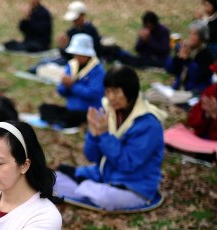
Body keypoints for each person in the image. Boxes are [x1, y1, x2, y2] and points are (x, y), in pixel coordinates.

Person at [55, 66, 166, 210]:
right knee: (52, 178)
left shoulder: (149, 124)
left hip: (135, 185)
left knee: (104, 197)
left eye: (116, 91)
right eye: (108, 91)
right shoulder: (109, 110)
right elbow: (92, 156)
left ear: (130, 91)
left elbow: (128, 164)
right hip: (106, 175)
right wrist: (93, 134)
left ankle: (84, 187)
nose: (111, 97)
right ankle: (84, 185)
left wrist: (104, 135)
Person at [39, 34, 106, 128]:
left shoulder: (98, 70)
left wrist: (72, 86)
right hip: (70, 108)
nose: (76, 56)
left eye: (78, 54)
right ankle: (60, 121)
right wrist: (64, 85)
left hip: (88, 111)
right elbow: (61, 91)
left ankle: (62, 121)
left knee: (72, 117)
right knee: (44, 108)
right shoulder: (71, 66)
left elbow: (94, 94)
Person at [165, 20, 214, 94]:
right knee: (151, 94)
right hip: (177, 88)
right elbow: (169, 69)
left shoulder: (207, 54)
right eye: (190, 33)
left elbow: (197, 76)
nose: (191, 37)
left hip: (195, 91)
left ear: (202, 37)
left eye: (195, 34)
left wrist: (187, 59)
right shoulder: (184, 48)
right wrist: (178, 57)